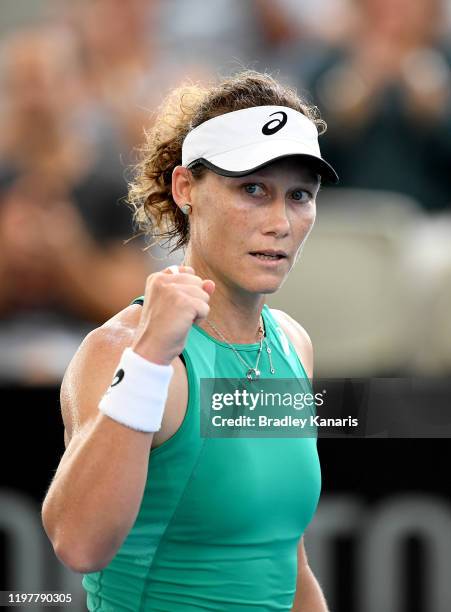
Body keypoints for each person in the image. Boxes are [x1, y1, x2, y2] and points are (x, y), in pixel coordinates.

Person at [41, 70, 338, 611]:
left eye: (299, 196)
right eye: (253, 189)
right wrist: (150, 359)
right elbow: (78, 544)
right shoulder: (121, 350)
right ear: (185, 190)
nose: (280, 221)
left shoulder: (293, 344)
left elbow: (288, 565)